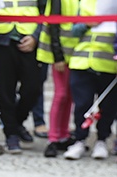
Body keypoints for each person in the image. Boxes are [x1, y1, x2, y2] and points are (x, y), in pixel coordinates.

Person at [0, 0, 42, 154]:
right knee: (5, 91)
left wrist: (35, 36)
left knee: (33, 88)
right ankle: (11, 134)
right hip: (0, 39)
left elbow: (45, 10)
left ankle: (16, 123)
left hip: (28, 37)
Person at [63, 6, 117, 160]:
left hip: (108, 65)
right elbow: (74, 31)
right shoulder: (86, 3)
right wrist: (87, 24)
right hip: (82, 62)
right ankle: (79, 140)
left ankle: (102, 140)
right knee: (82, 105)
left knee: (108, 107)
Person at [36, 0, 78, 157]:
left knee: (70, 95)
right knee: (61, 95)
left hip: (78, 53)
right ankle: (53, 137)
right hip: (62, 54)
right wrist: (58, 56)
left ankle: (63, 134)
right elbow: (53, 25)